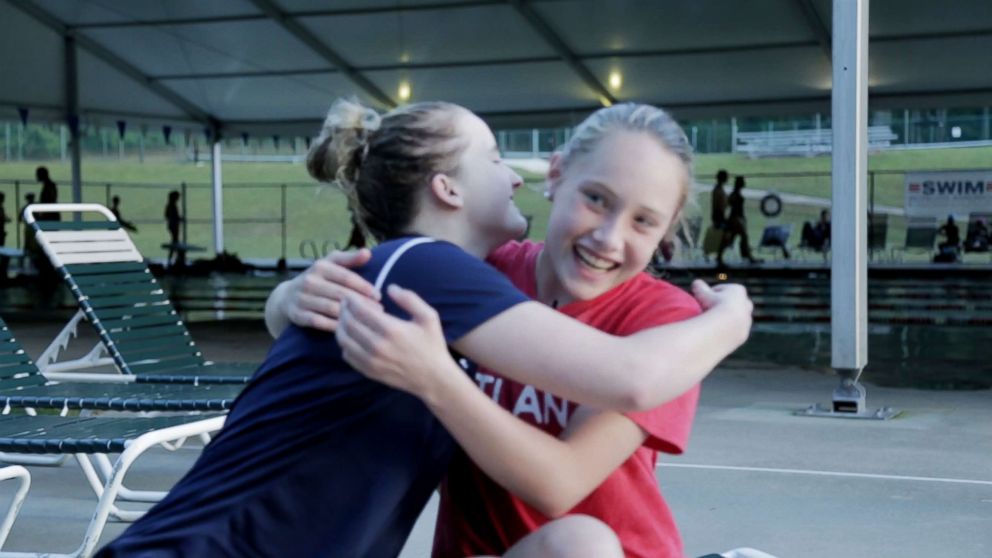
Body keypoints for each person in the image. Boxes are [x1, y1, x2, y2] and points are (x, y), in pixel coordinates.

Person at [98, 100, 751, 558]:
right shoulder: (460, 273)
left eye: (644, 221)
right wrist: (291, 294)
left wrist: (721, 319)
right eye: (596, 199)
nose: (513, 174)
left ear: (666, 232)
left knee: (585, 543)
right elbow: (628, 377)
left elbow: (576, 462)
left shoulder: (664, 327)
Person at [718, 175, 760, 265]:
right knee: (743, 236)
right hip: (736, 219)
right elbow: (733, 207)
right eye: (743, 182)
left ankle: (720, 256)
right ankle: (748, 256)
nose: (744, 183)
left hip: (735, 219)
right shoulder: (735, 195)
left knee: (730, 239)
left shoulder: (735, 194)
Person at [164, 190, 182, 266]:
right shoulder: (172, 205)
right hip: (173, 225)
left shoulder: (170, 205)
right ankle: (175, 258)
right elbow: (171, 215)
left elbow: (166, 215)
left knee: (175, 241)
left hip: (172, 225)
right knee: (175, 242)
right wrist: (177, 218)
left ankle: (175, 258)